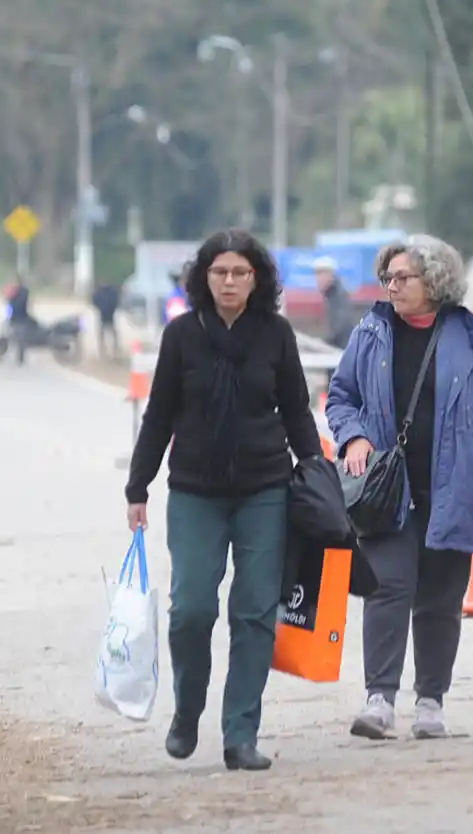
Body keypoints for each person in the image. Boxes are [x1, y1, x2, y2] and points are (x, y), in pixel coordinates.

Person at [123, 229, 322, 772]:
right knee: (192, 609)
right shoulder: (182, 335)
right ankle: (187, 712)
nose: (229, 282)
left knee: (255, 612)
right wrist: (137, 487)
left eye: (240, 273)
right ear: (203, 278)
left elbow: (298, 412)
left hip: (265, 490)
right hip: (194, 492)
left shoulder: (276, 335)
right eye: (219, 273)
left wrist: (317, 473)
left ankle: (240, 735)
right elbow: (159, 413)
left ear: (256, 279)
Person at [325, 234, 473, 742]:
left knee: (439, 597)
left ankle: (431, 701)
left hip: (455, 488)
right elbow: (340, 397)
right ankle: (379, 700)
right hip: (387, 490)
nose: (392, 286)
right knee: (386, 587)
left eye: (403, 277)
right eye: (388, 278)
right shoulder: (370, 333)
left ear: (434, 281)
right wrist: (354, 438)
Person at [314, 256, 356, 348]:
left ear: (330, 276)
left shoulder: (339, 296)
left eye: (321, 276)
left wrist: (325, 342)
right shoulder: (330, 295)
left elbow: (341, 326)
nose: (318, 280)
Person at [91, 280, 121, 359]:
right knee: (111, 333)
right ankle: (112, 351)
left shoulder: (100, 291)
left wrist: (100, 308)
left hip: (104, 313)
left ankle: (105, 351)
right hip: (109, 313)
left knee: (103, 333)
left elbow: (94, 300)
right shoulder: (111, 290)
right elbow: (117, 300)